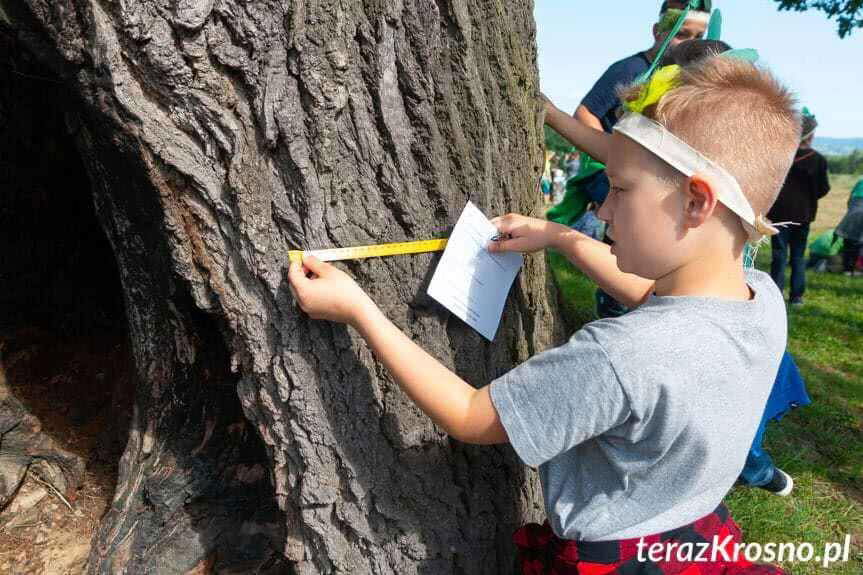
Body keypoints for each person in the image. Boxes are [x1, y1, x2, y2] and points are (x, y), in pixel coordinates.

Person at [289, 55, 795, 573]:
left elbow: (471, 415)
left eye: (619, 189)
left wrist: (359, 310)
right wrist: (561, 238)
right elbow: (660, 302)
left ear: (696, 203)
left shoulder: (622, 356)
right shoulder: (760, 301)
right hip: (693, 540)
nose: (602, 209)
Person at [564, 0, 711, 318]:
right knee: (629, 236)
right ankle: (616, 305)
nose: (690, 42)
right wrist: (615, 156)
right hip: (612, 171)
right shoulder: (631, 69)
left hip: (660, 178)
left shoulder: (686, 77)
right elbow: (585, 112)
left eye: (699, 34)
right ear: (658, 31)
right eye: (681, 33)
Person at [767, 109, 831, 305]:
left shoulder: (779, 156)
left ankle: (776, 295)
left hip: (778, 214)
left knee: (778, 256)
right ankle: (796, 296)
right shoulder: (818, 160)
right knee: (797, 256)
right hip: (804, 215)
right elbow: (823, 188)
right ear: (809, 135)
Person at [835, 177, 863, 276]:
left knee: (850, 242)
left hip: (853, 214)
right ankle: (855, 269)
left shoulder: (860, 181)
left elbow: (850, 200)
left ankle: (848, 268)